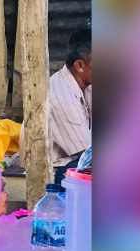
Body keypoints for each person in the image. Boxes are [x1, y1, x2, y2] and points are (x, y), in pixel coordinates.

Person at [48, 28, 92, 182]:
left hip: (78, 159)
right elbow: (89, 155)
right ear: (80, 65)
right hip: (58, 171)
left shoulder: (85, 83)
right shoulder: (61, 95)